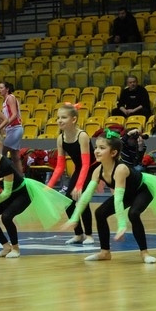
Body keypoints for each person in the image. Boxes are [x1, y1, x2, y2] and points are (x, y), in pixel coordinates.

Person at [65, 130, 156, 264]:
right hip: (127, 193)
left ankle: (144, 253)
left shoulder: (120, 169)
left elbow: (118, 199)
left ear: (113, 153)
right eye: (96, 147)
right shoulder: (97, 170)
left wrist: (121, 225)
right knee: (100, 213)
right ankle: (105, 252)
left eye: (102, 148)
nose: (96, 151)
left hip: (142, 190)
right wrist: (74, 217)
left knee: (133, 213)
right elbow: (85, 196)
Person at [0, 128, 72, 259]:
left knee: (6, 216)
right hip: (9, 194)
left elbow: (6, 194)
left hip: (22, 193)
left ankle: (15, 248)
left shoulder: (6, 164)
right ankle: (5, 246)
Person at [46, 104, 96, 245]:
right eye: (58, 118)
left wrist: (79, 186)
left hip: (92, 169)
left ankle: (89, 235)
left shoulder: (82, 136)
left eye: (63, 117)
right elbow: (60, 166)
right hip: (80, 169)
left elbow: (86, 164)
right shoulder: (60, 139)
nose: (59, 120)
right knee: (68, 202)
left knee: (82, 200)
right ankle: (78, 234)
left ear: (73, 119)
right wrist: (49, 186)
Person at [0, 81, 23, 175]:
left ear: (7, 89)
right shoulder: (5, 100)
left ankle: (3, 175)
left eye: (1, 88)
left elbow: (14, 114)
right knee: (15, 156)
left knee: (2, 153)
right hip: (12, 129)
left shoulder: (10, 98)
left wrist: (2, 126)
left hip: (15, 128)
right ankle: (20, 177)